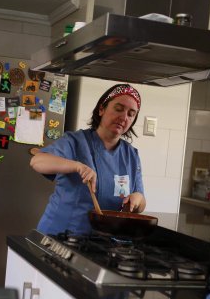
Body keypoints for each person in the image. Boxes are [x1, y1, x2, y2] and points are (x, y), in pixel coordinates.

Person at [30, 83, 146, 235]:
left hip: (102, 241)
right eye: (118, 109)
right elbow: (37, 161)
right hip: (60, 235)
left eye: (131, 114)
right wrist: (77, 166)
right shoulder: (75, 141)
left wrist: (137, 200)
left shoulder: (131, 155)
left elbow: (141, 201)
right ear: (101, 109)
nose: (124, 117)